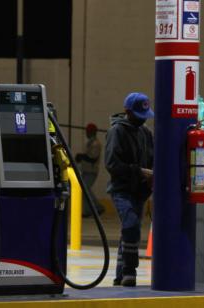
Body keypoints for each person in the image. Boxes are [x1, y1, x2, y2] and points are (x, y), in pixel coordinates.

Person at [105, 92, 154, 287]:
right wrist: (139, 171)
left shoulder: (145, 133)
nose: (142, 120)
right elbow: (112, 164)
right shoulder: (116, 131)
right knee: (131, 225)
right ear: (127, 112)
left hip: (139, 191)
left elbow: (153, 157)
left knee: (129, 231)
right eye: (138, 115)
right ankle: (129, 270)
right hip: (122, 189)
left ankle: (120, 276)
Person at [75, 123, 105, 217]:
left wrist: (81, 156)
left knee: (85, 189)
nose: (86, 133)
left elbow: (93, 158)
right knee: (83, 190)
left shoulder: (95, 144)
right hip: (86, 170)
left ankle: (98, 208)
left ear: (92, 132)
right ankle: (88, 211)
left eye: (88, 131)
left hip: (91, 171)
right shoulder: (90, 143)